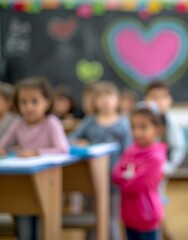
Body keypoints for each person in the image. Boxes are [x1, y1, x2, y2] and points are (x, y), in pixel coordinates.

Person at [0, 76, 69, 240]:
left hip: (48, 184)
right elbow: (3, 145)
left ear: (47, 102)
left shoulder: (51, 122)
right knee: (24, 225)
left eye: (34, 101)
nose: (28, 107)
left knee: (41, 229)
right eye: (23, 102)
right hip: (24, 184)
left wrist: (37, 152)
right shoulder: (18, 123)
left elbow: (62, 149)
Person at [68, 80, 132, 240]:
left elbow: (129, 151)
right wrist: (80, 142)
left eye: (109, 96)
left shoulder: (123, 122)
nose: (105, 100)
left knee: (111, 220)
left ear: (117, 100)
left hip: (115, 180)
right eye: (100, 96)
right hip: (91, 178)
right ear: (94, 101)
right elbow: (71, 139)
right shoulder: (90, 121)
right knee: (92, 218)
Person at [112, 104, 167, 240]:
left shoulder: (155, 156)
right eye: (133, 127)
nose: (136, 132)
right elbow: (115, 174)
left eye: (143, 127)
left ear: (157, 130)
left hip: (147, 215)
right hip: (129, 214)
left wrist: (125, 179)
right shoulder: (131, 150)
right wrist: (129, 177)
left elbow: (139, 185)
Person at [143, 81, 186, 240]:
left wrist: (166, 168)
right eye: (154, 97)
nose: (158, 101)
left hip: (159, 171)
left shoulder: (171, 122)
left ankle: (158, 233)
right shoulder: (142, 117)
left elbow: (179, 148)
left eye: (162, 97)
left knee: (155, 202)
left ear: (170, 100)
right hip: (141, 170)